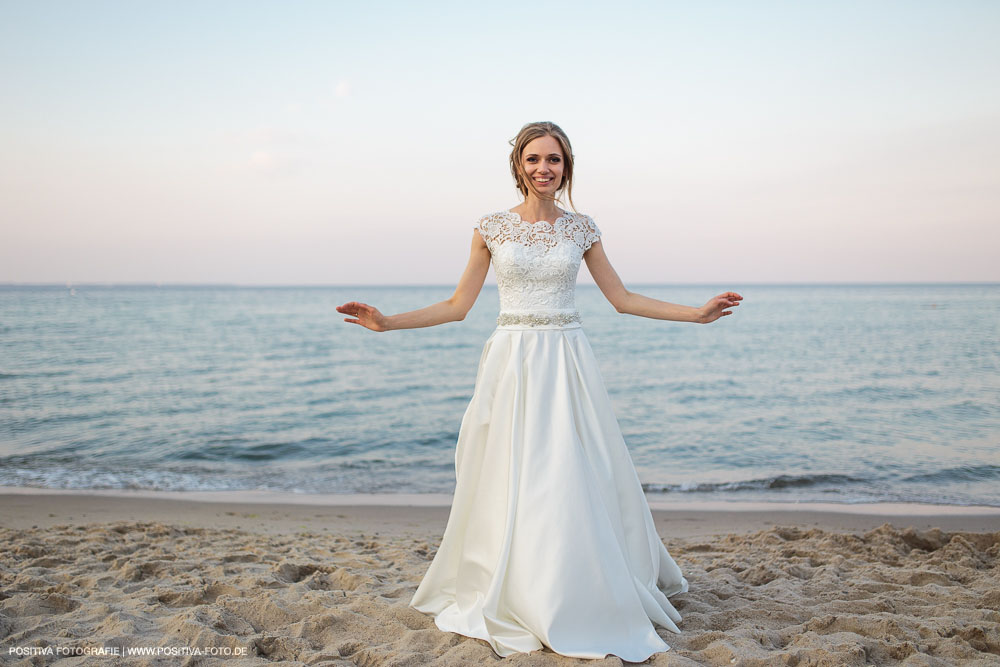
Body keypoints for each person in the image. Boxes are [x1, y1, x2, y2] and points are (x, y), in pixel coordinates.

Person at [336, 121, 742, 661]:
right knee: (513, 472)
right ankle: (517, 581)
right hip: (512, 360)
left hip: (568, 358)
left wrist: (696, 314)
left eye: (553, 160)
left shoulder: (583, 229)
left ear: (566, 167)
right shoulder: (491, 227)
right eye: (533, 160)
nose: (543, 169)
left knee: (574, 470)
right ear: (518, 166)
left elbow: (621, 298)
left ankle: (575, 582)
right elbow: (457, 307)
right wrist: (388, 323)